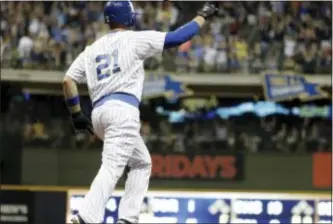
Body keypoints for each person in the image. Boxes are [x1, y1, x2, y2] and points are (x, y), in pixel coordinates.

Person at [62, 1, 219, 223]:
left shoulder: (91, 49)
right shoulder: (134, 39)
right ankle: (86, 216)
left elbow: (68, 80)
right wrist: (202, 16)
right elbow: (176, 38)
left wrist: (76, 113)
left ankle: (127, 218)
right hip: (122, 111)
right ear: (129, 17)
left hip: (99, 114)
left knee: (141, 162)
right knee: (112, 167)